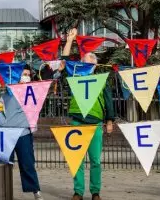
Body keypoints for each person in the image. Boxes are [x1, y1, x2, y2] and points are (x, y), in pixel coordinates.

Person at [61, 28, 115, 200]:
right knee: (76, 160)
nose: (88, 64)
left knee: (96, 161)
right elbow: (64, 61)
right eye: (85, 61)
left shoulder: (102, 79)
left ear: (96, 65)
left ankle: (95, 192)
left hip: (95, 123)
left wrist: (110, 120)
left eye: (91, 62)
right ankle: (78, 191)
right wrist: (69, 40)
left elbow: (109, 101)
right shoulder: (75, 77)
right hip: (77, 121)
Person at [0, 65, 44, 200]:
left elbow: (47, 82)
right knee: (4, 165)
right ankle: (0, 191)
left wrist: (58, 70)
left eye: (28, 74)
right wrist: (4, 124)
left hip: (23, 134)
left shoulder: (33, 93)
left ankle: (36, 191)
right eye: (23, 74)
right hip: (7, 134)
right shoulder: (6, 94)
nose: (25, 76)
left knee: (28, 164)